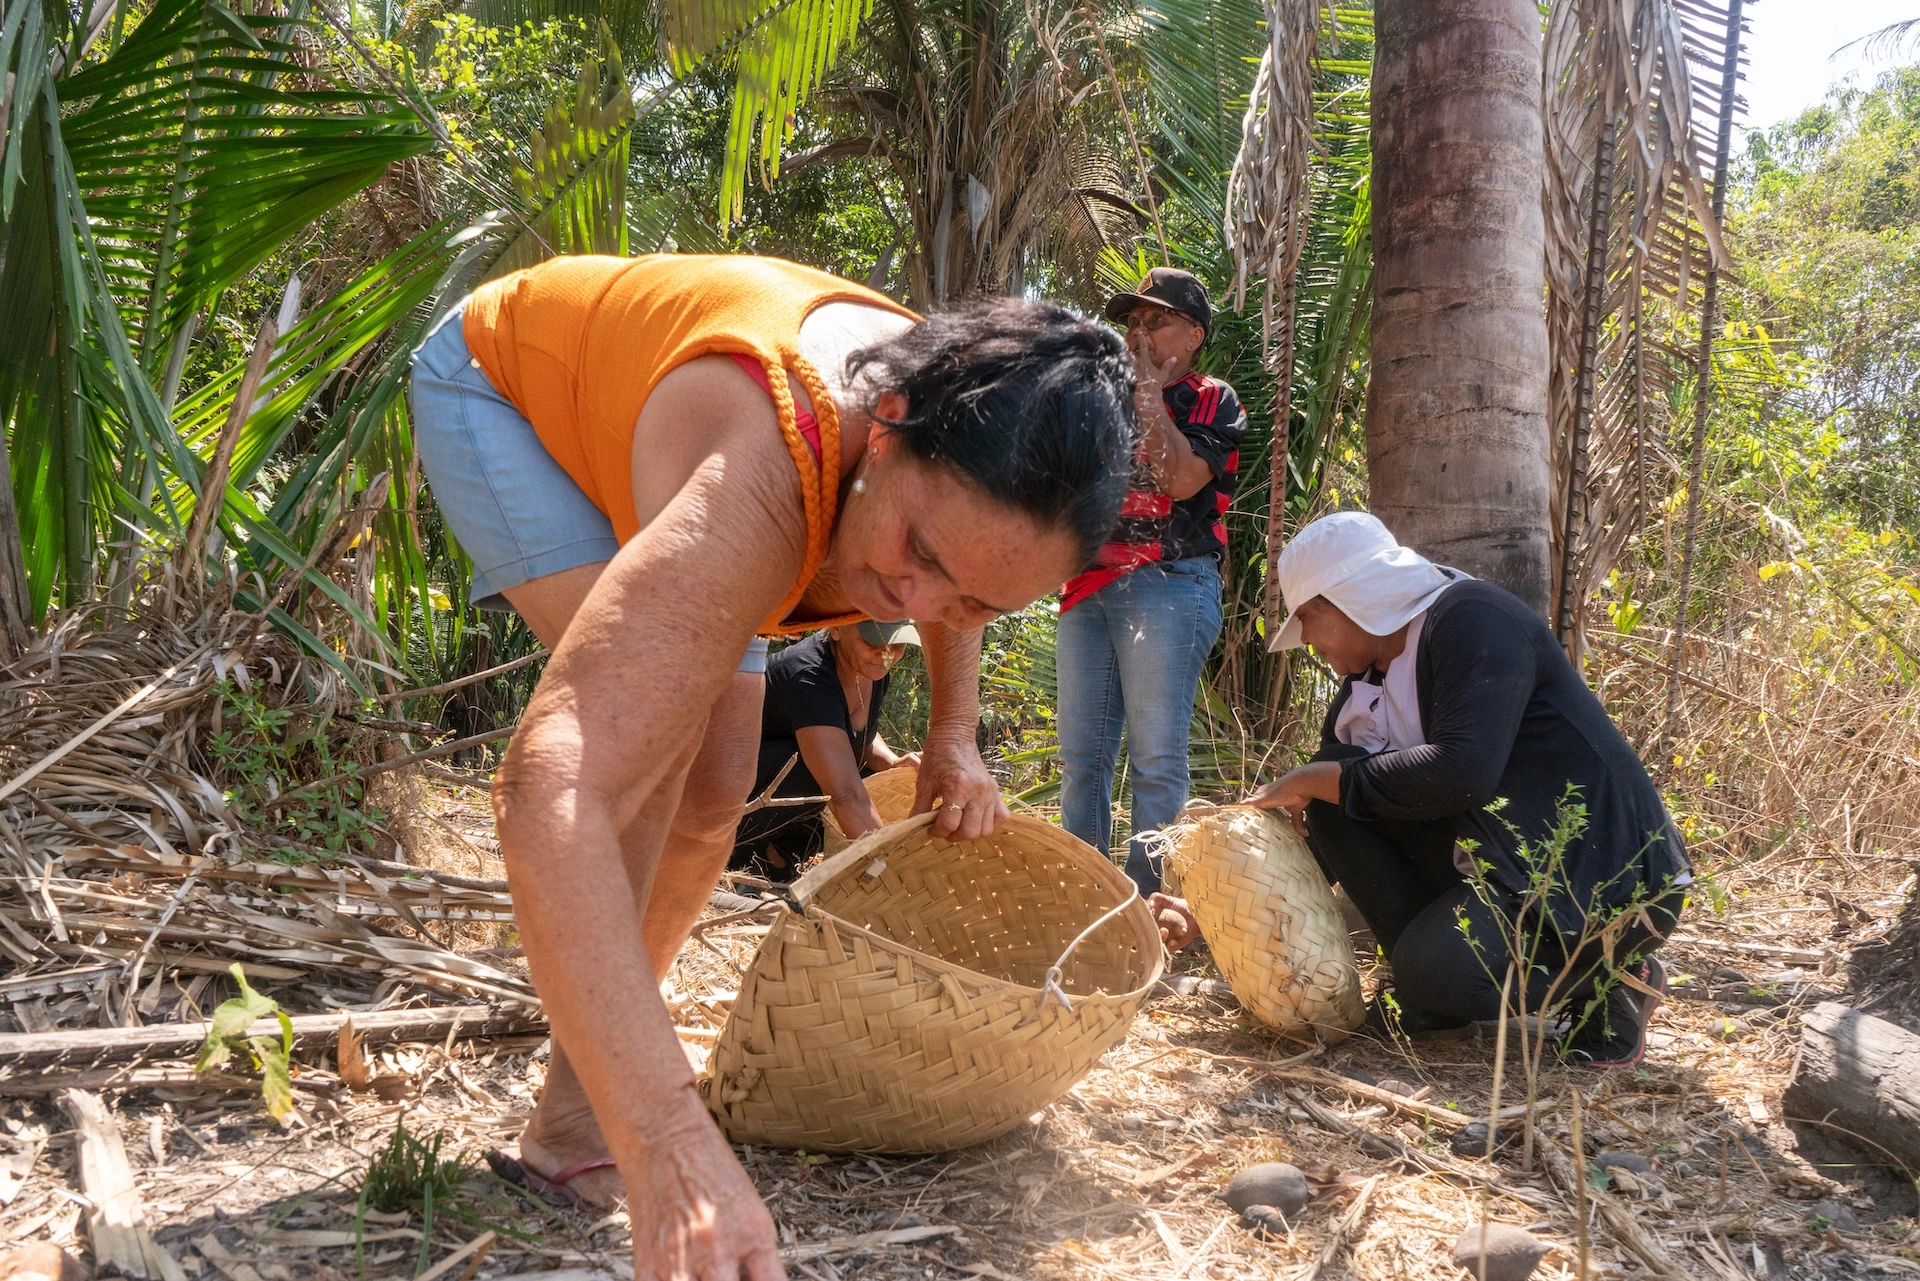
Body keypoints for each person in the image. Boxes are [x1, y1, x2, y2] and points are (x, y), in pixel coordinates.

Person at [407, 253, 1133, 1280]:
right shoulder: (770, 470)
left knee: (714, 790)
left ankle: (586, 1110)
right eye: (915, 550)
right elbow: (552, 786)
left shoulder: (958, 457)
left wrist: (952, 732)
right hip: (507, 394)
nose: (919, 605)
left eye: (975, 601)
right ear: (885, 426)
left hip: (709, 465)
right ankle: (581, 1130)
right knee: (649, 757)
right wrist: (671, 1141)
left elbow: (957, 568)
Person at [1152, 512, 1692, 1066]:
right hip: (1503, 869)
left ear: (1351, 599)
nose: (1308, 640)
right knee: (1337, 795)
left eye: (1309, 619)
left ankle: (1614, 980)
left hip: (1597, 884)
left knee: (1418, 945)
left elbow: (1461, 772)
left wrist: (1311, 779)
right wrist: (1212, 902)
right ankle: (1434, 1001)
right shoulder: (1367, 684)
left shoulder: (1474, 622)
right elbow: (1341, 826)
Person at [1056, 267, 1248, 898]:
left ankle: (1148, 909)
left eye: (1155, 321)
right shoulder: (1099, 395)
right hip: (1088, 589)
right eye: (1131, 322)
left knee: (1156, 761)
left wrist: (1148, 398)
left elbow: (1183, 480)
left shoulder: (1211, 398)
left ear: (1192, 335)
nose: (1139, 335)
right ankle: (1087, 903)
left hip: (1168, 582)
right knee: (1083, 760)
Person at [732, 620, 922, 878]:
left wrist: (891, 762)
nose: (886, 653)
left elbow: (855, 733)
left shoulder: (871, 667)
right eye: (873, 641)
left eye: (897, 644)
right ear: (836, 628)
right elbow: (844, 795)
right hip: (730, 800)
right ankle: (742, 856)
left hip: (773, 788)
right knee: (830, 776)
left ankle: (778, 857)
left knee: (865, 777)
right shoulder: (808, 676)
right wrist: (894, 873)